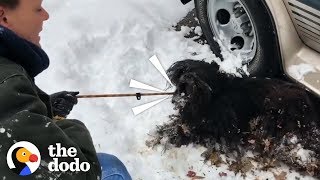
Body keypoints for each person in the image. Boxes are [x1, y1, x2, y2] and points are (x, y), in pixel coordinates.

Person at [0, 0, 131, 179]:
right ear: (3, 16)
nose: (46, 15)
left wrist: (42, 111)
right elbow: (81, 173)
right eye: (37, 9)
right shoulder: (7, 82)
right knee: (112, 168)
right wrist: (62, 125)